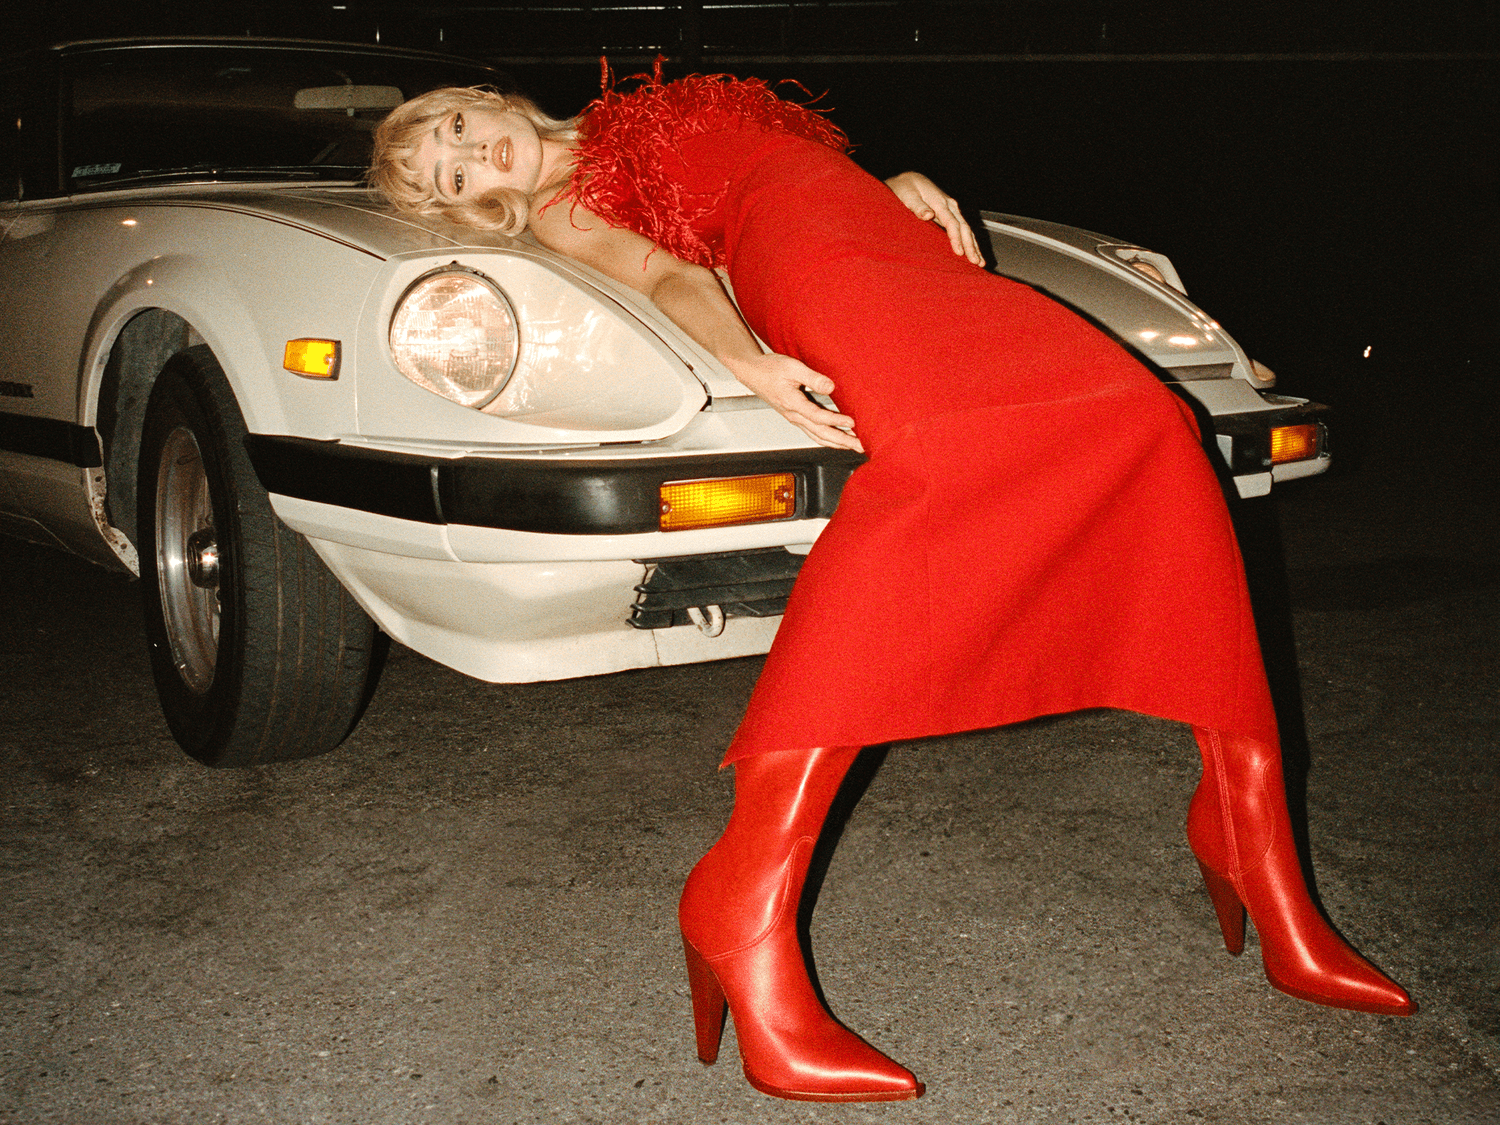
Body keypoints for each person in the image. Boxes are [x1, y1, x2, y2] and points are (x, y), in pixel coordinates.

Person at [370, 65, 1413, 1103]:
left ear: (489, 98)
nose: (468, 158)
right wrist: (750, 362)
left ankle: (1255, 845)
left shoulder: (630, 107)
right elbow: (670, 276)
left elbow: (793, 157)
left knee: (1152, 427)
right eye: (448, 180)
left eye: (456, 129)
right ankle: (744, 895)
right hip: (818, 270)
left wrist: (890, 179)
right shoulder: (560, 207)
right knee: (938, 471)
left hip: (886, 238)